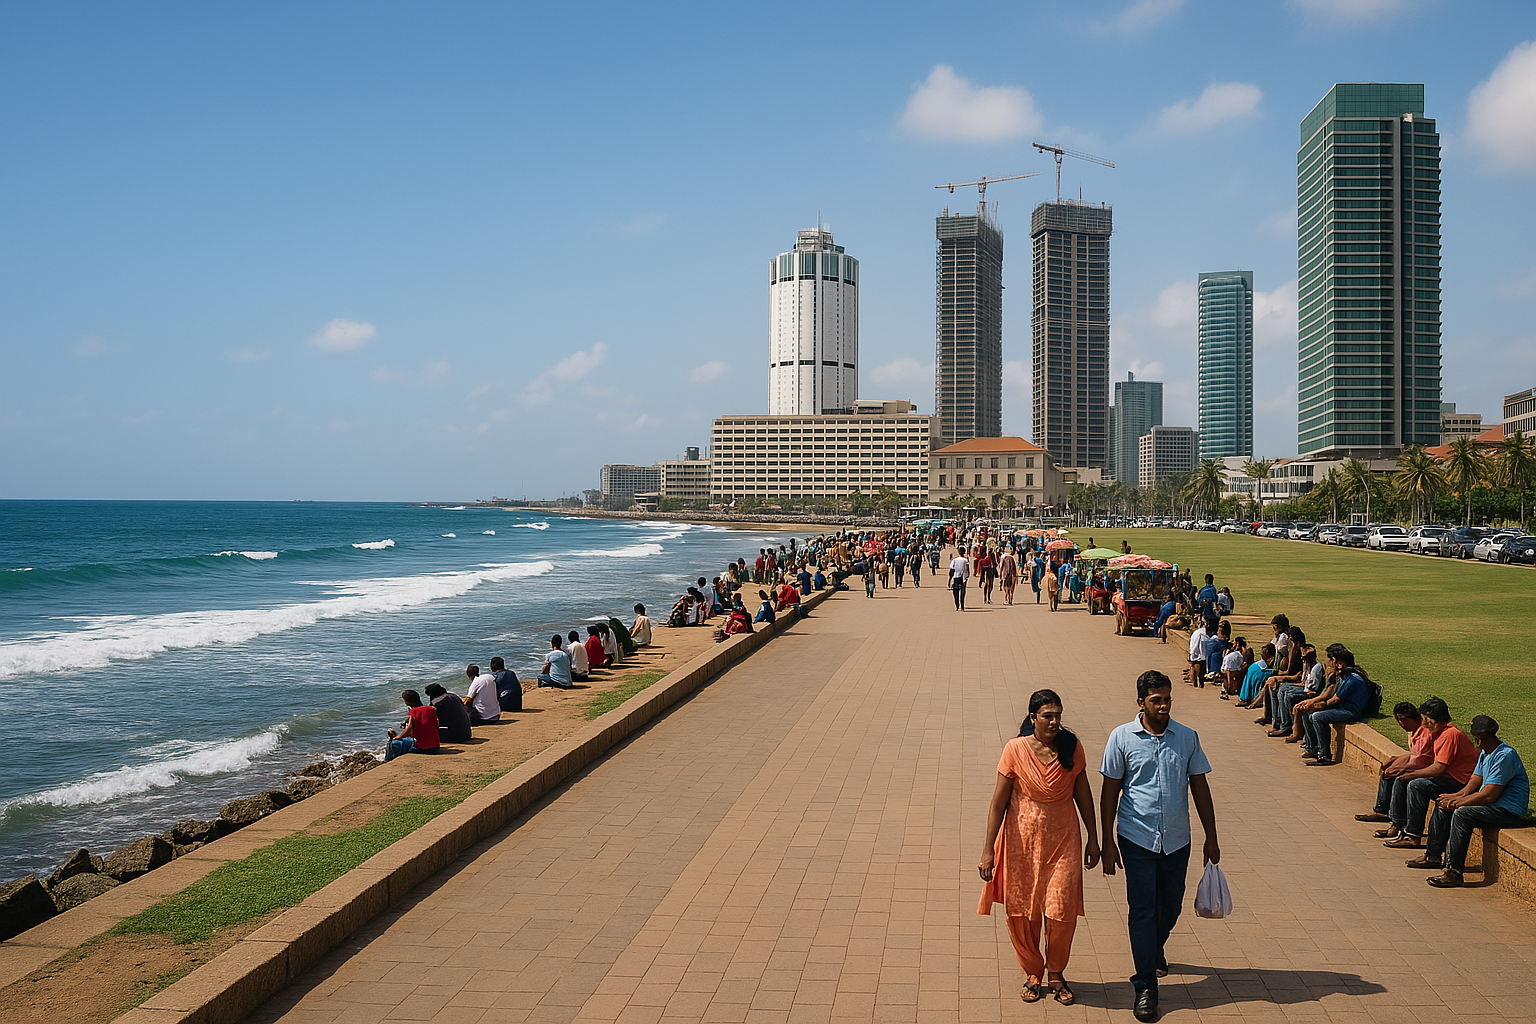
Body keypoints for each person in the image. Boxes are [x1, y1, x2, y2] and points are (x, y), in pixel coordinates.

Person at [1100, 671, 1219, 1023]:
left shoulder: (1186, 738)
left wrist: (1212, 837)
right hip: (1136, 838)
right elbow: (1110, 792)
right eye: (1156, 700)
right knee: (1142, 910)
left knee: (1170, 907)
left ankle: (1154, 948)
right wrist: (1107, 840)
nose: (1164, 705)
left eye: (1167, 699)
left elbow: (1199, 787)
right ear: (1141, 702)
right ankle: (1146, 986)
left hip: (1177, 840)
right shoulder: (1121, 738)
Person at [978, 689, 1100, 1006]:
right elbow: (998, 804)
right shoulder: (1015, 750)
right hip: (1020, 842)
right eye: (1047, 715)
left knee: (1061, 911)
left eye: (1058, 715)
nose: (1054, 721)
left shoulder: (1071, 748)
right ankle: (1033, 973)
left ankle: (1056, 973)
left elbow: (1083, 795)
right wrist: (988, 850)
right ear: (1033, 718)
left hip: (1063, 840)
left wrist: (1094, 837)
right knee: (1023, 912)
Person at [1414, 715, 1530, 888]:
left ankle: (1454, 872)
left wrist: (1460, 803)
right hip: (1492, 805)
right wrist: (1455, 797)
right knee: (1444, 804)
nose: (1477, 744)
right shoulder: (1486, 753)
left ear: (1482, 738)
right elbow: (1475, 781)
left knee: (1462, 813)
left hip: (1507, 810)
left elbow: (1490, 795)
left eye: (1478, 739)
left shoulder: (1505, 756)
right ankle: (1433, 855)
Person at [1381, 697, 1478, 850]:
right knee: (1404, 779)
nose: (1424, 724)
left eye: (1425, 720)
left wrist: (1412, 774)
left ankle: (1413, 835)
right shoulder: (1440, 733)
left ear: (1433, 720)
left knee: (1416, 785)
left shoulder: (1449, 735)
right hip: (1448, 777)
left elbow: (1438, 768)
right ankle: (1398, 825)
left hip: (1459, 781)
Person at [1355, 702, 1430, 833]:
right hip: (1421, 763)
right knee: (1388, 771)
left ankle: (1397, 824)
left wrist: (1400, 769)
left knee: (1400, 779)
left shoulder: (1424, 733)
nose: (1400, 724)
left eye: (1402, 720)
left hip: (1428, 767)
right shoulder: (1414, 731)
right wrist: (1393, 760)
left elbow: (1421, 761)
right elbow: (1414, 755)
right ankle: (1382, 811)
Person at [1300, 643, 1373, 766]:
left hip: (1350, 711)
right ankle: (1313, 747)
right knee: (1309, 713)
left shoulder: (1352, 678)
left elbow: (1335, 700)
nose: (1329, 664)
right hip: (1343, 708)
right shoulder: (1343, 675)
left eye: (1331, 660)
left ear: (1338, 662)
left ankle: (1324, 754)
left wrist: (1317, 706)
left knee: (1317, 716)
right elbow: (1328, 694)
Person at [384, 690, 440, 761]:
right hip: (435, 746)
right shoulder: (431, 709)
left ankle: (388, 760)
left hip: (422, 748)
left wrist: (399, 737)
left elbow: (410, 729)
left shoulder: (413, 712)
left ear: (407, 702)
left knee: (393, 743)